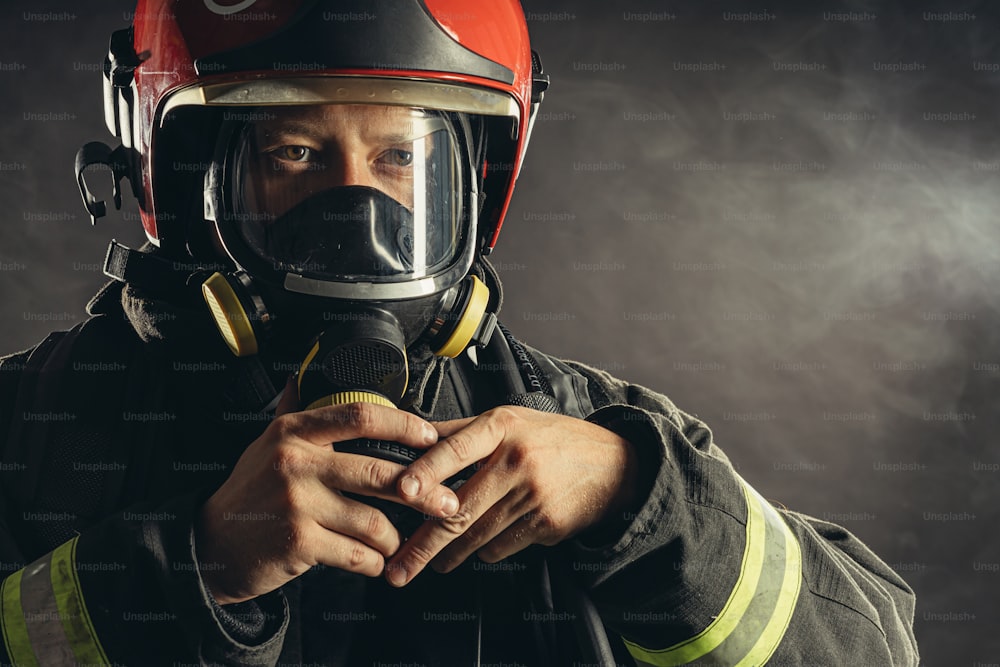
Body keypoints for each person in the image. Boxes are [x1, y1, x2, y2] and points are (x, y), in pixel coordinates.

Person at [0, 0, 919, 664]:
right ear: (181, 174)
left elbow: (875, 647)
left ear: (473, 180)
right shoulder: (28, 431)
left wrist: (641, 500)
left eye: (401, 156)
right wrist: (195, 568)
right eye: (293, 153)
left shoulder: (574, 440)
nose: (355, 214)